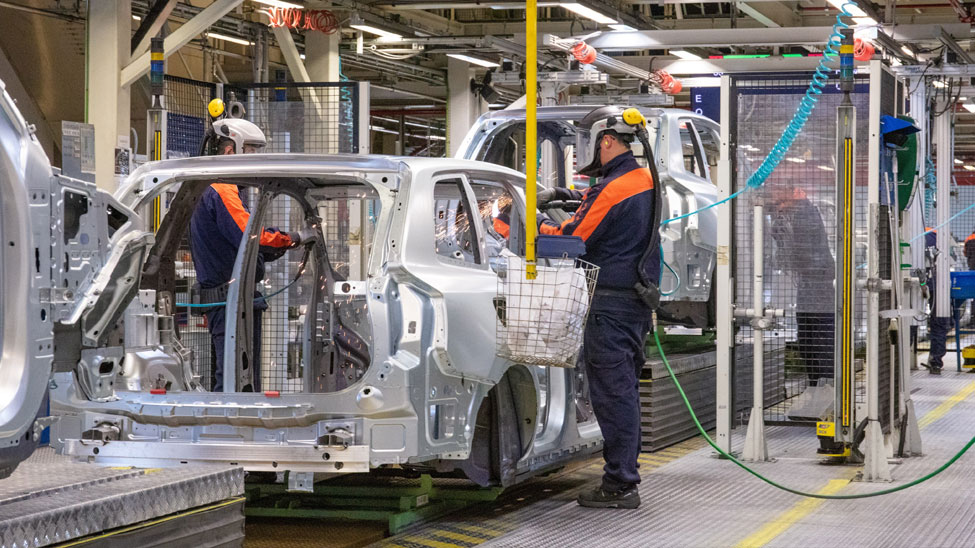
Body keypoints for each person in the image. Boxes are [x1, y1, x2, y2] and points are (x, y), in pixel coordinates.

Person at [537, 106, 659, 510]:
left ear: (605, 141)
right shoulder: (638, 179)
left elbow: (573, 237)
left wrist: (524, 226)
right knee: (622, 391)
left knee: (613, 395)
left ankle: (620, 484)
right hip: (632, 303)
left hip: (611, 306)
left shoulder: (619, 186)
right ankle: (623, 476)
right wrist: (562, 196)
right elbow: (600, 206)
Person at [190, 118, 300, 392]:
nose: (254, 159)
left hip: (230, 300)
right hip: (231, 303)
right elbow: (250, 236)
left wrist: (278, 248)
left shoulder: (206, 187)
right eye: (250, 151)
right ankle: (228, 430)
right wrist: (293, 239)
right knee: (236, 382)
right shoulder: (221, 189)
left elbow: (244, 247)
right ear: (230, 152)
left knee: (231, 376)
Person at [767, 185, 835, 384]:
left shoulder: (805, 213)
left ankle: (825, 386)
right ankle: (817, 384)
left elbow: (797, 253)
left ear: (793, 192)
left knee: (819, 339)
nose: (776, 204)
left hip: (819, 284)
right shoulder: (796, 213)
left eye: (779, 199)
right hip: (809, 285)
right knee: (807, 339)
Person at [923, 227, 951, 374]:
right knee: (939, 323)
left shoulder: (911, 234)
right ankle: (936, 362)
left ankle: (900, 361)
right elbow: (952, 260)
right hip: (938, 286)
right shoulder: (940, 236)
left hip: (916, 283)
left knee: (909, 322)